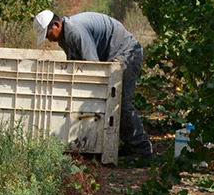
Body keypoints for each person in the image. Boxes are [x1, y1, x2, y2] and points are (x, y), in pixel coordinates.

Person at [34, 9, 153, 162]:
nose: (50, 40)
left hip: (127, 52)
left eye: (49, 35)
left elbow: (92, 67)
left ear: (56, 24)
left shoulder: (75, 31)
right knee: (108, 100)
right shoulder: (64, 37)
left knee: (119, 101)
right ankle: (126, 144)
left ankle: (142, 149)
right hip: (113, 55)